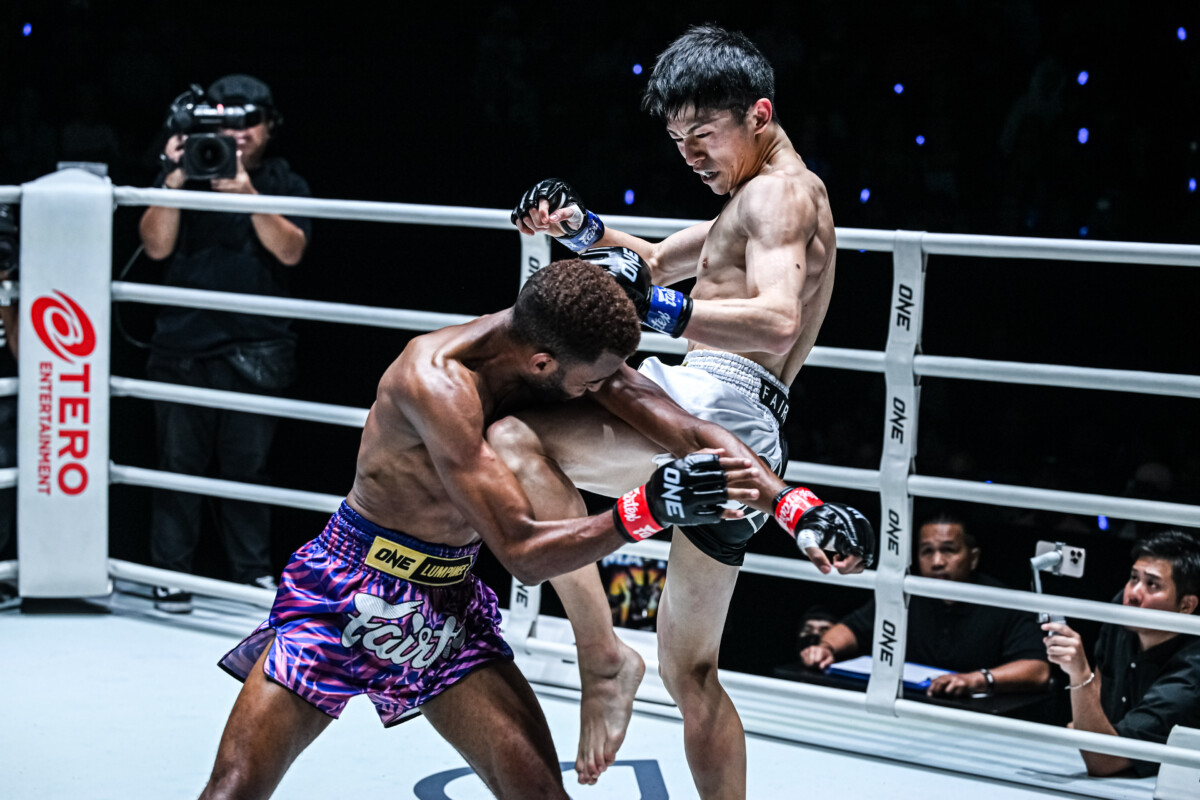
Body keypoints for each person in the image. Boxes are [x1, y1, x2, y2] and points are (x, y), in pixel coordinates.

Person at [199, 259, 769, 800]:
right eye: (591, 383)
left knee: (542, 795)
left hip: (448, 605)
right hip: (349, 592)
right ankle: (601, 656)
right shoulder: (436, 382)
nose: (598, 391)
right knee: (235, 789)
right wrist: (648, 510)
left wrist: (795, 507)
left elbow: (688, 429)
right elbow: (522, 553)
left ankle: (603, 659)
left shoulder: (564, 344)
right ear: (542, 364)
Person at [505, 24, 874, 796]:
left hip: (716, 399)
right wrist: (576, 227)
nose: (691, 155)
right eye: (678, 141)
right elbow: (649, 263)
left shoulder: (778, 196)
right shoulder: (761, 199)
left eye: (704, 135)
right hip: (751, 427)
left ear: (759, 114)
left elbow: (775, 319)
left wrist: (662, 312)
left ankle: (602, 654)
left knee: (512, 442)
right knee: (691, 672)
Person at [138, 74, 311, 612]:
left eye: (248, 120)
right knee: (176, 466)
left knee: (247, 471)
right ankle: (170, 574)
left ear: (269, 126)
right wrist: (173, 177)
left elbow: (291, 251)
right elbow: (154, 246)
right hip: (182, 342)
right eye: (224, 121)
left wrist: (249, 195)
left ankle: (249, 573)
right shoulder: (183, 172)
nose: (236, 133)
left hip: (257, 348)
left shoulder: (284, 180)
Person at [802, 511, 1051, 697]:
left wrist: (977, 680)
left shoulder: (1004, 601)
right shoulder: (907, 593)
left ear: (973, 558)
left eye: (949, 550)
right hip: (914, 706)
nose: (937, 562)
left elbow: (1037, 669)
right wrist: (825, 648)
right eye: (927, 551)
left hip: (979, 716)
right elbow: (853, 628)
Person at [1043, 529, 1200, 777]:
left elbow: (1105, 761)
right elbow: (1098, 690)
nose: (1133, 594)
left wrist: (1078, 674)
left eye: (1152, 584)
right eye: (1133, 578)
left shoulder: (1192, 672)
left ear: (1186, 606)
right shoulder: (1122, 612)